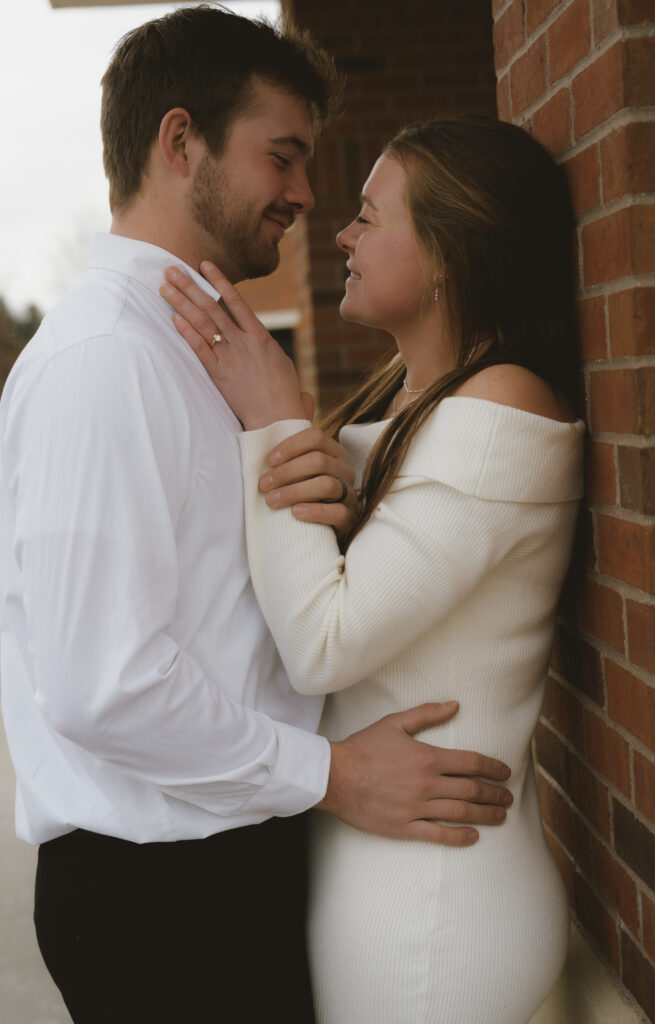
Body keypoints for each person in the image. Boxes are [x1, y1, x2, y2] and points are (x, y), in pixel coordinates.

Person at [0, 9, 513, 1023]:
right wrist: (333, 775)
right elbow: (102, 685)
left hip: (217, 876)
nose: (306, 196)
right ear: (178, 141)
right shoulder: (109, 359)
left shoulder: (192, 345)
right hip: (164, 905)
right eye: (282, 157)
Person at [160, 115, 584, 1023]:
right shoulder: (409, 407)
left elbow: (322, 644)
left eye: (368, 215)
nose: (342, 236)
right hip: (388, 886)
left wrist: (276, 419)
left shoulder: (499, 408)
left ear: (446, 254)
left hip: (432, 916)